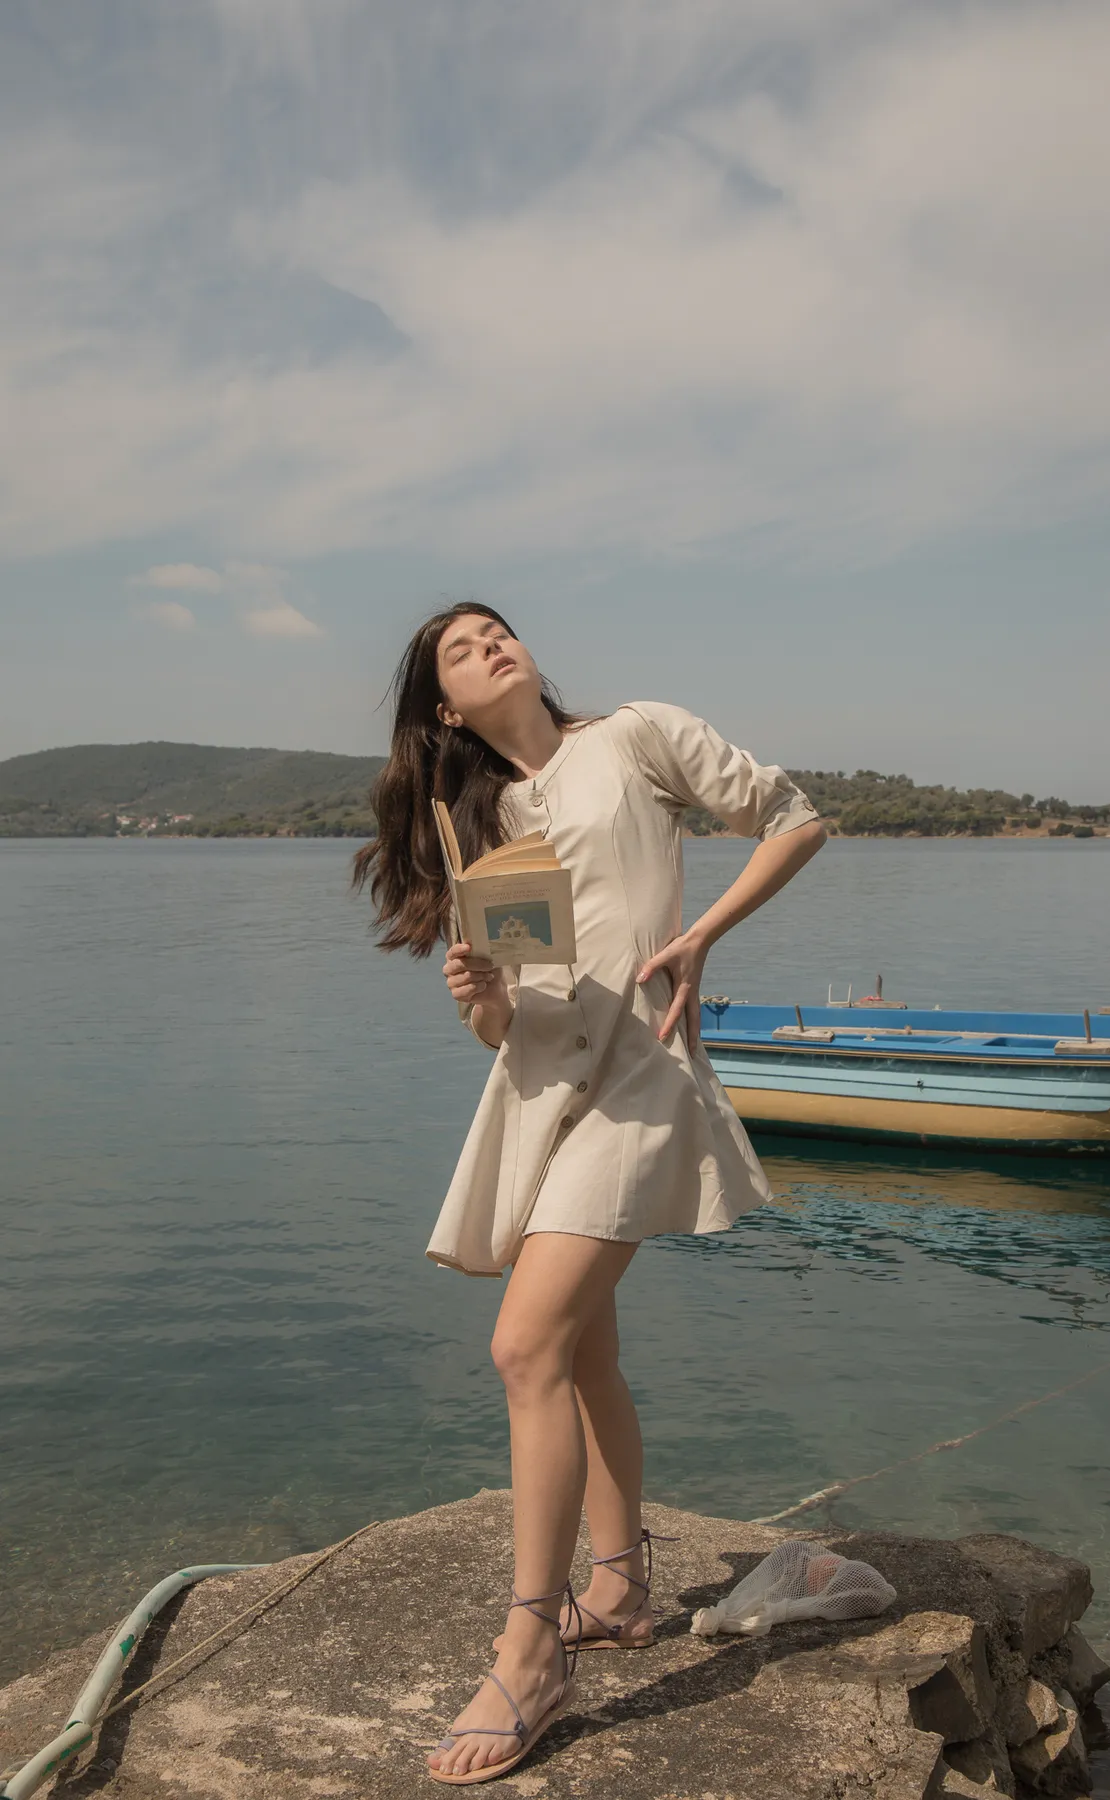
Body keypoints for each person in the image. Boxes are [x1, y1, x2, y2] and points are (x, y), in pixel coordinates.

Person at [352, 603, 825, 1784]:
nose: (490, 644)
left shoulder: (636, 736)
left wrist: (702, 936)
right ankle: (616, 1592)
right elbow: (512, 1020)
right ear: (446, 706)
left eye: (495, 629)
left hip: (646, 1078)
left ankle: (529, 1651)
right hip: (545, 1098)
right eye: (461, 649)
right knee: (583, 1355)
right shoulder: (483, 825)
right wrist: (480, 996)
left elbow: (794, 818)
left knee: (525, 1347)